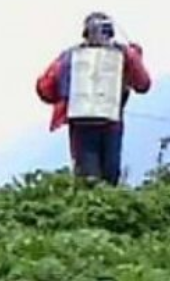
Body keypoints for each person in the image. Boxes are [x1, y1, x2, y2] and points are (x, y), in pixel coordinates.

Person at [36, 11, 151, 184]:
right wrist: (135, 57)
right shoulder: (124, 54)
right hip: (111, 123)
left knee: (87, 178)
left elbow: (44, 89)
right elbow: (143, 84)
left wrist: (65, 93)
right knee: (110, 176)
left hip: (82, 124)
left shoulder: (69, 57)